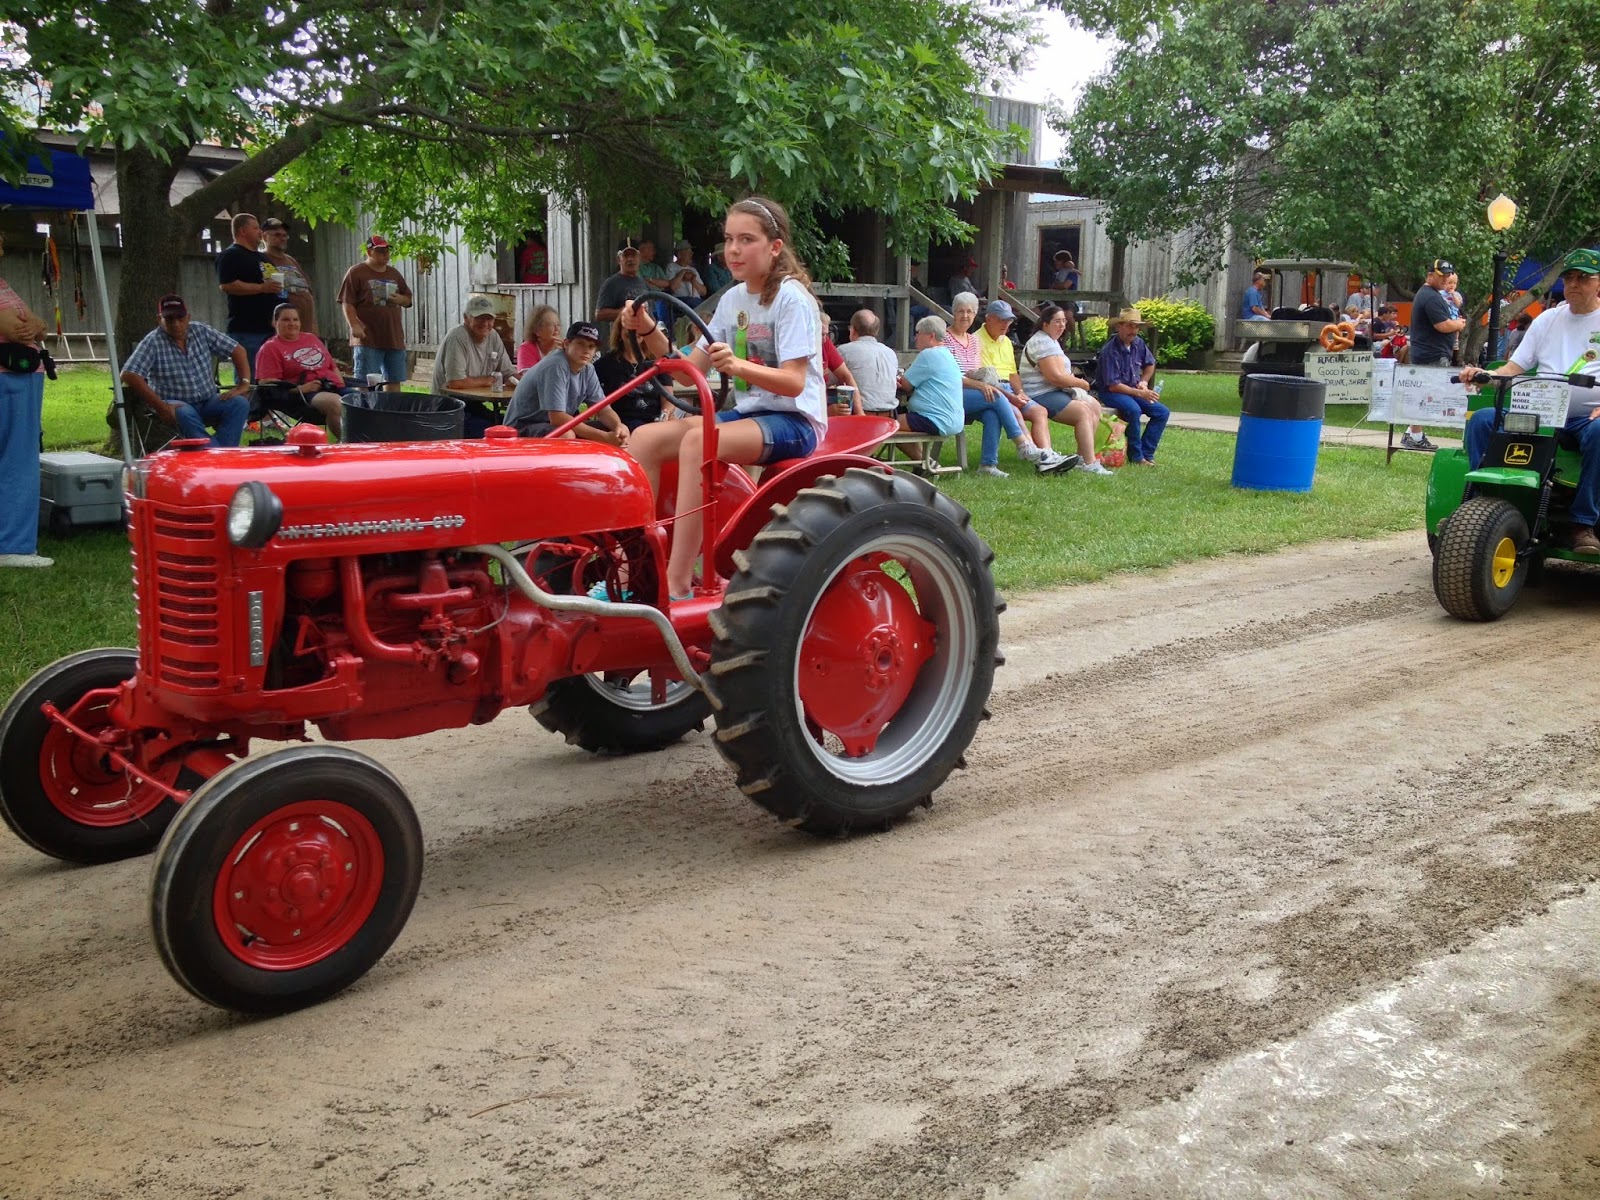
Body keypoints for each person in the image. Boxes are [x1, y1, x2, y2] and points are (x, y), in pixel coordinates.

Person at [628, 195, 826, 600]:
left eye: (747, 239)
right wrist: (647, 326)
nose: (733, 250)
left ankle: (678, 582)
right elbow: (689, 367)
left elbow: (792, 382)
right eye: (729, 239)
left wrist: (737, 367)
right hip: (749, 416)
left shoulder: (792, 299)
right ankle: (639, 572)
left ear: (775, 247)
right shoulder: (733, 299)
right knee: (645, 437)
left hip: (793, 422)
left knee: (699, 440)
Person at [1461, 248, 1600, 552]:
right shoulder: (1547, 319)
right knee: (1483, 420)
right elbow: (1513, 368)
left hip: (1585, 418)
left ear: (1598, 283)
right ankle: (1478, 510)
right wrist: (1483, 374)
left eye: (1583, 278)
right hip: (1541, 411)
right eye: (1569, 277)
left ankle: (1583, 523)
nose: (1574, 283)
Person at [943, 292, 1068, 477]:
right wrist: (982, 386)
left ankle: (988, 465)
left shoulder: (973, 341)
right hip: (956, 392)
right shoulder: (946, 338)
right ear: (954, 313)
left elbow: (981, 372)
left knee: (992, 412)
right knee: (997, 396)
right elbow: (951, 376)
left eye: (970, 311)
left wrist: (1016, 392)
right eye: (961, 311)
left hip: (980, 391)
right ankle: (1023, 445)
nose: (965, 316)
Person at [121, 294, 251, 448]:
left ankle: (218, 453)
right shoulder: (152, 341)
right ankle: (219, 455)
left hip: (208, 401)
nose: (176, 324)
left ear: (188, 317)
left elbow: (238, 350)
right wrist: (160, 406)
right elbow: (129, 374)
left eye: (180, 318)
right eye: (169, 319)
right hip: (175, 404)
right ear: (159, 319)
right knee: (184, 412)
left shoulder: (201, 330)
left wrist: (244, 383)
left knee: (239, 403)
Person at [0, 229, 52, 567]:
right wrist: (28, 324)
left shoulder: (4, 284)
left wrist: (33, 324)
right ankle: (14, 547)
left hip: (21, 378)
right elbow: (12, 328)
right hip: (11, 378)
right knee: (18, 460)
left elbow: (40, 326)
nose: (2, 245)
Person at [976, 298, 1074, 475]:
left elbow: (1013, 374)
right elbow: (985, 379)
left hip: (1010, 389)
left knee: (1039, 411)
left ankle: (1047, 456)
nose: (1006, 324)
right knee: (1013, 410)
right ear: (988, 319)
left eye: (1009, 320)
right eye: (1001, 319)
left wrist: (1020, 392)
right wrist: (1012, 396)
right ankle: (1035, 453)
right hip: (992, 389)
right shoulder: (976, 340)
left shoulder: (1006, 342)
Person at [1019, 303, 1113, 477]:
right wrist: (1082, 383)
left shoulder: (1051, 341)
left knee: (1094, 405)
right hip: (1039, 393)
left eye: (1063, 321)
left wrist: (1076, 384)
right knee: (1083, 412)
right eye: (1057, 321)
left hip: (1054, 391)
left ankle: (1082, 458)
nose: (1062, 325)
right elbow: (1054, 377)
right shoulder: (1041, 342)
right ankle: (1090, 463)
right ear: (1045, 324)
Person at [504, 319, 631, 446]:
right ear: (566, 344)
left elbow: (603, 410)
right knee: (566, 435)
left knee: (613, 430)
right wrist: (604, 437)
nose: (586, 350)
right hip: (520, 428)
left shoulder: (588, 369)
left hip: (549, 425)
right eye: (580, 344)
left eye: (591, 346)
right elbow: (557, 417)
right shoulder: (556, 365)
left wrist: (618, 427)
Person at [253, 303, 345, 439]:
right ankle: (350, 444)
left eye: (295, 319)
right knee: (337, 403)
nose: (292, 323)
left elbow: (332, 366)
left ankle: (372, 443)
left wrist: (341, 385)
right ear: (274, 322)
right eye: (286, 319)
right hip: (302, 395)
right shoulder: (270, 348)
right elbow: (267, 384)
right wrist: (300, 389)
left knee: (369, 398)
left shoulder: (311, 338)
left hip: (332, 386)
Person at [1403, 258, 1468, 450]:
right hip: (1431, 354)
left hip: (1430, 352)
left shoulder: (1432, 294)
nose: (1445, 278)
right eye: (1442, 275)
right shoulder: (1430, 297)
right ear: (1430, 275)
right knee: (1429, 395)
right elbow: (1443, 325)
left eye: (1448, 275)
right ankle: (1414, 435)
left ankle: (1412, 433)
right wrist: (1459, 324)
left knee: (1427, 394)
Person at [1094, 308, 1169, 466]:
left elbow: (1150, 364)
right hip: (1110, 392)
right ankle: (1136, 457)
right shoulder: (1110, 350)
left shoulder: (1138, 343)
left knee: (1162, 412)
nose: (1133, 331)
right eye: (1129, 326)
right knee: (1133, 410)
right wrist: (1141, 394)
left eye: (1136, 327)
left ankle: (1147, 453)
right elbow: (1113, 386)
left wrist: (1143, 381)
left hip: (1133, 390)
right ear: (1119, 327)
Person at [337, 235, 413, 392]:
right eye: (380, 251)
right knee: (365, 382)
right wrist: (354, 325)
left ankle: (392, 412)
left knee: (394, 379)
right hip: (368, 337)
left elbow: (408, 300)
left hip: (393, 336)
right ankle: (365, 412)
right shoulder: (356, 272)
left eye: (387, 251)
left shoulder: (394, 274)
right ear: (369, 252)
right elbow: (347, 302)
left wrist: (400, 299)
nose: (385, 254)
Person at [216, 212, 279, 381]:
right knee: (249, 376)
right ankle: (248, 407)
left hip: (271, 328)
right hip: (247, 329)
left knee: (271, 376)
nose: (260, 232)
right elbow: (227, 285)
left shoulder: (261, 257)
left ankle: (267, 408)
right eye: (256, 227)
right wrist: (262, 288)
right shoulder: (231, 255)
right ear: (243, 231)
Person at [897, 316, 965, 438]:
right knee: (896, 416)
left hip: (935, 419)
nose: (916, 338)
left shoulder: (928, 354)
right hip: (952, 420)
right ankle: (923, 458)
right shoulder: (947, 354)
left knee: (887, 423)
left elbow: (905, 385)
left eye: (919, 333)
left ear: (931, 336)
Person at [594, 317, 668, 431]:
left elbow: (668, 397)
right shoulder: (605, 364)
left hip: (657, 420)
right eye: (628, 328)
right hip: (623, 423)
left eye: (639, 328)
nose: (633, 332)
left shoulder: (658, 361)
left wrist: (665, 415)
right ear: (619, 331)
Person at [436, 295, 517, 390]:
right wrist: (487, 380)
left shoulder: (493, 335)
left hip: (473, 400)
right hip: (449, 402)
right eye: (480, 318)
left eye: (489, 318)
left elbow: (508, 374)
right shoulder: (458, 336)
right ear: (466, 318)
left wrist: (521, 378)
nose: (485, 323)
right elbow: (455, 383)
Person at [837, 309, 900, 416]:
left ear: (852, 330)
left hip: (857, 415)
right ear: (876, 331)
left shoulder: (844, 351)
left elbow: (827, 380)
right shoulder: (890, 353)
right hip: (888, 416)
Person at [259, 216, 315, 334]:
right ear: (264, 237)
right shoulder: (261, 260)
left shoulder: (290, 260)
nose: (282, 238)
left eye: (285, 235)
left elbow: (307, 289)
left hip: (306, 328)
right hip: (283, 331)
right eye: (277, 235)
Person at [595, 241, 651, 322]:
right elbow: (599, 314)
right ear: (619, 259)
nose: (630, 259)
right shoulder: (611, 283)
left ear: (639, 258)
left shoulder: (643, 283)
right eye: (626, 255)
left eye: (633, 255)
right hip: (622, 333)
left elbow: (650, 313)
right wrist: (625, 311)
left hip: (643, 333)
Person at [518, 304, 562, 370]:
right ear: (537, 330)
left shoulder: (564, 349)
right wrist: (551, 356)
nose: (557, 329)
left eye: (558, 325)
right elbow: (529, 377)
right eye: (551, 325)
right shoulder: (526, 348)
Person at [666, 240, 706, 305]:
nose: (691, 254)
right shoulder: (671, 267)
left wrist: (694, 281)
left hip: (696, 301)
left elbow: (704, 292)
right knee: (696, 303)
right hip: (681, 301)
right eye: (689, 253)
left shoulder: (693, 270)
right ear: (679, 254)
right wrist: (682, 273)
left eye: (691, 252)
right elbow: (672, 288)